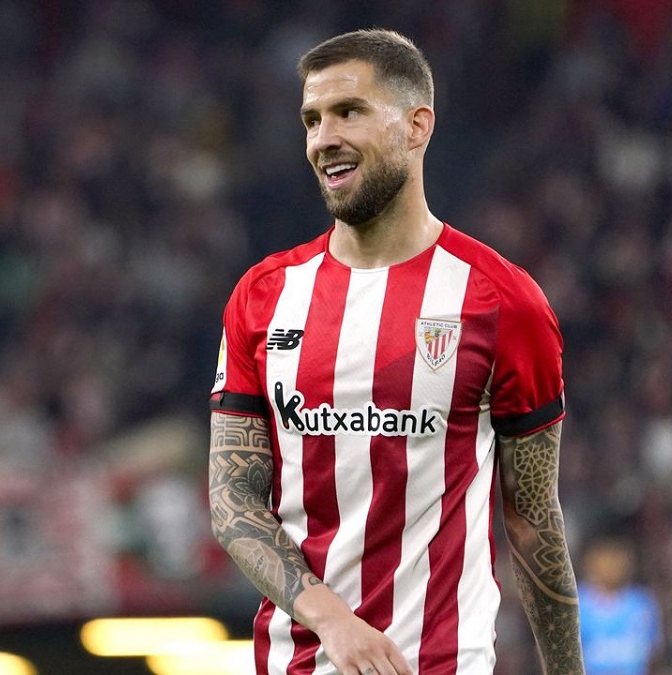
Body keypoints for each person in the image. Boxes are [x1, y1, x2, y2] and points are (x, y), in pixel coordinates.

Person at [208, 28, 585, 675]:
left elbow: (533, 521)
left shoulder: (503, 303)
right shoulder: (262, 297)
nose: (323, 137)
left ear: (417, 127)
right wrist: (332, 618)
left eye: (348, 111)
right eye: (311, 119)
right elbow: (232, 500)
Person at [577, 537, 662, 675]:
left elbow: (654, 655)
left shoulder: (643, 603)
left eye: (618, 556)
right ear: (590, 561)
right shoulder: (575, 606)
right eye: (606, 556)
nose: (612, 564)